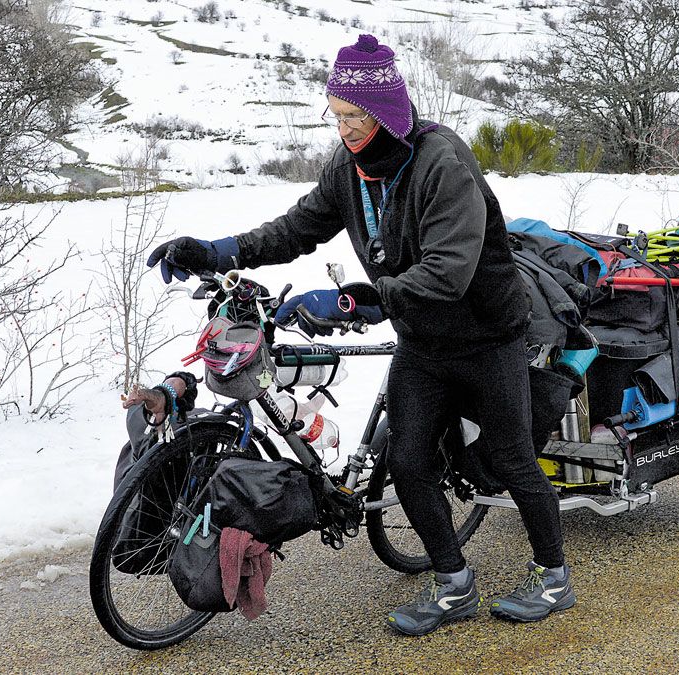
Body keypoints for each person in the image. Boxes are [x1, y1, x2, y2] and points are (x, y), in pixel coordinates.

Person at [146, 33, 574, 636]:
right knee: (408, 460)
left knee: (511, 457)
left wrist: (360, 300)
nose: (344, 128)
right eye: (338, 114)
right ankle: (454, 585)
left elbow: (447, 272)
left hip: (486, 336)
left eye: (355, 116)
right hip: (424, 343)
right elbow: (296, 228)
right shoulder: (349, 173)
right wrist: (216, 250)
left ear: (387, 113)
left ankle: (553, 577)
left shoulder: (442, 165)